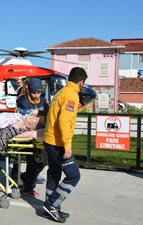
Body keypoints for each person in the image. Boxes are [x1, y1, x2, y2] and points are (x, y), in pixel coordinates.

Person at [42, 67, 87, 223]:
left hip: (49, 140)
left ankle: (49, 206)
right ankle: (52, 206)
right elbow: (64, 121)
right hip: (58, 143)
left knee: (54, 173)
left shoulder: (61, 92)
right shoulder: (72, 95)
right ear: (81, 82)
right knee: (74, 176)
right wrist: (67, 146)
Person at [15, 78, 49, 197]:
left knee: (43, 162)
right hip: (26, 135)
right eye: (34, 93)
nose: (36, 96)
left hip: (40, 135)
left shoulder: (44, 100)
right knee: (32, 162)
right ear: (29, 90)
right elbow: (17, 115)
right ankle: (29, 187)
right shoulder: (22, 100)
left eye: (38, 93)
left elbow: (49, 112)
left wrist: (38, 112)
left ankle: (25, 177)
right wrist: (28, 112)